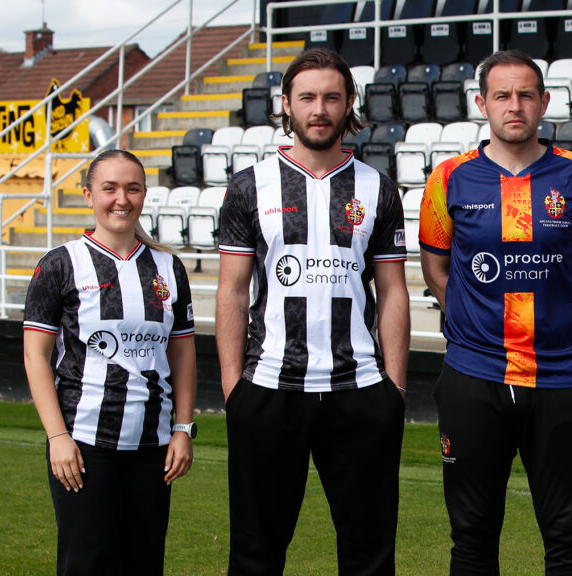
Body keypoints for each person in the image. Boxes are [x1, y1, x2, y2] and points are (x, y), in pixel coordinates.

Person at [216, 47, 409, 576]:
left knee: (370, 557)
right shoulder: (249, 186)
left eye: (331, 97)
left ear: (349, 104)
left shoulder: (378, 187)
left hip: (361, 391)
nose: (319, 108)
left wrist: (394, 387)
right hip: (270, 390)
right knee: (255, 554)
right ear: (286, 105)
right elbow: (232, 291)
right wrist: (235, 388)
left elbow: (393, 291)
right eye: (307, 97)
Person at [419, 49, 572, 576]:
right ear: (482, 103)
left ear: (544, 102)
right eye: (502, 95)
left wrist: (553, 325)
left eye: (526, 94)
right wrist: (475, 325)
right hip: (473, 377)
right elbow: (437, 272)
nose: (515, 105)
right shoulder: (449, 179)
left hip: (559, 375)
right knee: (472, 535)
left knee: (568, 533)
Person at [22, 149, 197, 576]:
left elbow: (183, 354)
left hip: (153, 445)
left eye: (132, 188)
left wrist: (183, 428)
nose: (122, 199)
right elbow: (35, 356)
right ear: (88, 196)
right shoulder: (60, 264)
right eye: (110, 188)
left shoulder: (169, 267)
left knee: (143, 562)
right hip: (83, 442)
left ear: (144, 194)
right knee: (88, 562)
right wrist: (57, 437)